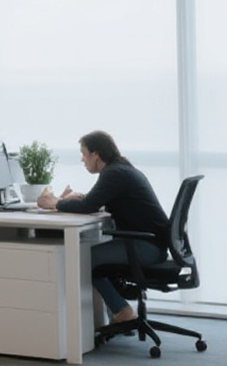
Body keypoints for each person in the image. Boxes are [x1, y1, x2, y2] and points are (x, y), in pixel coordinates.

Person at [37, 131, 169, 325]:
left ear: (95, 154)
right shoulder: (120, 169)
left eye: (83, 154)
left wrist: (55, 203)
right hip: (151, 243)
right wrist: (76, 200)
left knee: (81, 259)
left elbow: (87, 206)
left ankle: (121, 311)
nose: (82, 160)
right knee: (89, 256)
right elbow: (95, 201)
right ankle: (120, 315)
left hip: (146, 246)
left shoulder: (114, 173)